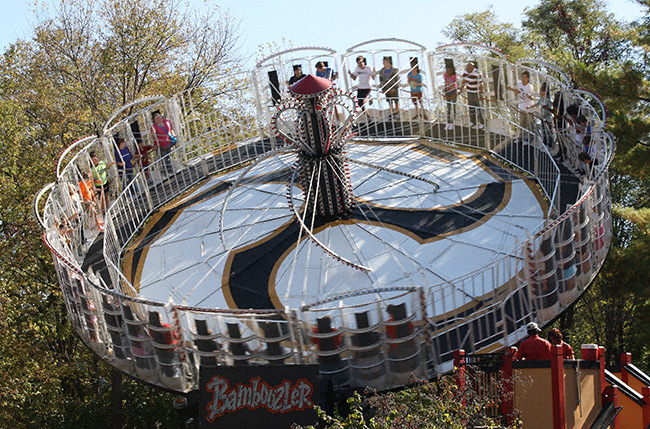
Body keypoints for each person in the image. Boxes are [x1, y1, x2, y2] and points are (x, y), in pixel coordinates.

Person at [508, 71, 536, 139]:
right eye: (522, 77)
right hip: (522, 107)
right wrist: (511, 89)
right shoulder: (519, 83)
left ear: (528, 79)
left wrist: (529, 97)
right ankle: (521, 136)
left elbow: (533, 97)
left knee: (529, 124)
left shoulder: (529, 87)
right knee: (522, 123)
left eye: (524, 77)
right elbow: (519, 92)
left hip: (529, 108)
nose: (523, 79)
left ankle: (530, 137)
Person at [151, 110, 176, 176]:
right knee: (164, 159)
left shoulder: (166, 121)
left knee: (169, 157)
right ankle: (166, 172)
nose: (158, 119)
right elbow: (154, 136)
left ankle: (171, 170)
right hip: (161, 144)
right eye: (156, 118)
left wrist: (173, 134)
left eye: (159, 117)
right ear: (154, 120)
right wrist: (156, 144)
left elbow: (171, 129)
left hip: (169, 142)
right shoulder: (154, 127)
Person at [460, 61, 484, 129]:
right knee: (471, 107)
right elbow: (464, 81)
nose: (468, 69)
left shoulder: (477, 73)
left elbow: (481, 84)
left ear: (473, 67)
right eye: (467, 67)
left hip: (476, 92)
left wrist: (481, 94)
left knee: (479, 107)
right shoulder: (465, 72)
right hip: (469, 91)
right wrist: (460, 89)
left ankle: (482, 123)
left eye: (469, 68)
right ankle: (472, 122)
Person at [537, 82, 555, 148]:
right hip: (542, 117)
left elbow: (550, 110)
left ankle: (550, 144)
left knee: (549, 131)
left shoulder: (548, 100)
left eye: (541, 92)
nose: (539, 93)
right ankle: (544, 143)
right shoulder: (541, 99)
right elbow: (537, 103)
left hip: (548, 118)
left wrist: (546, 114)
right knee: (543, 130)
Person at [443, 64, 458, 130]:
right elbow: (445, 84)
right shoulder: (445, 76)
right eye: (447, 70)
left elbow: (456, 85)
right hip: (448, 91)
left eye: (450, 70)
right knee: (448, 108)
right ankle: (448, 122)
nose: (448, 71)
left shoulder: (454, 77)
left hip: (453, 91)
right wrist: (445, 92)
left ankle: (452, 122)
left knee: (453, 107)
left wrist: (456, 93)